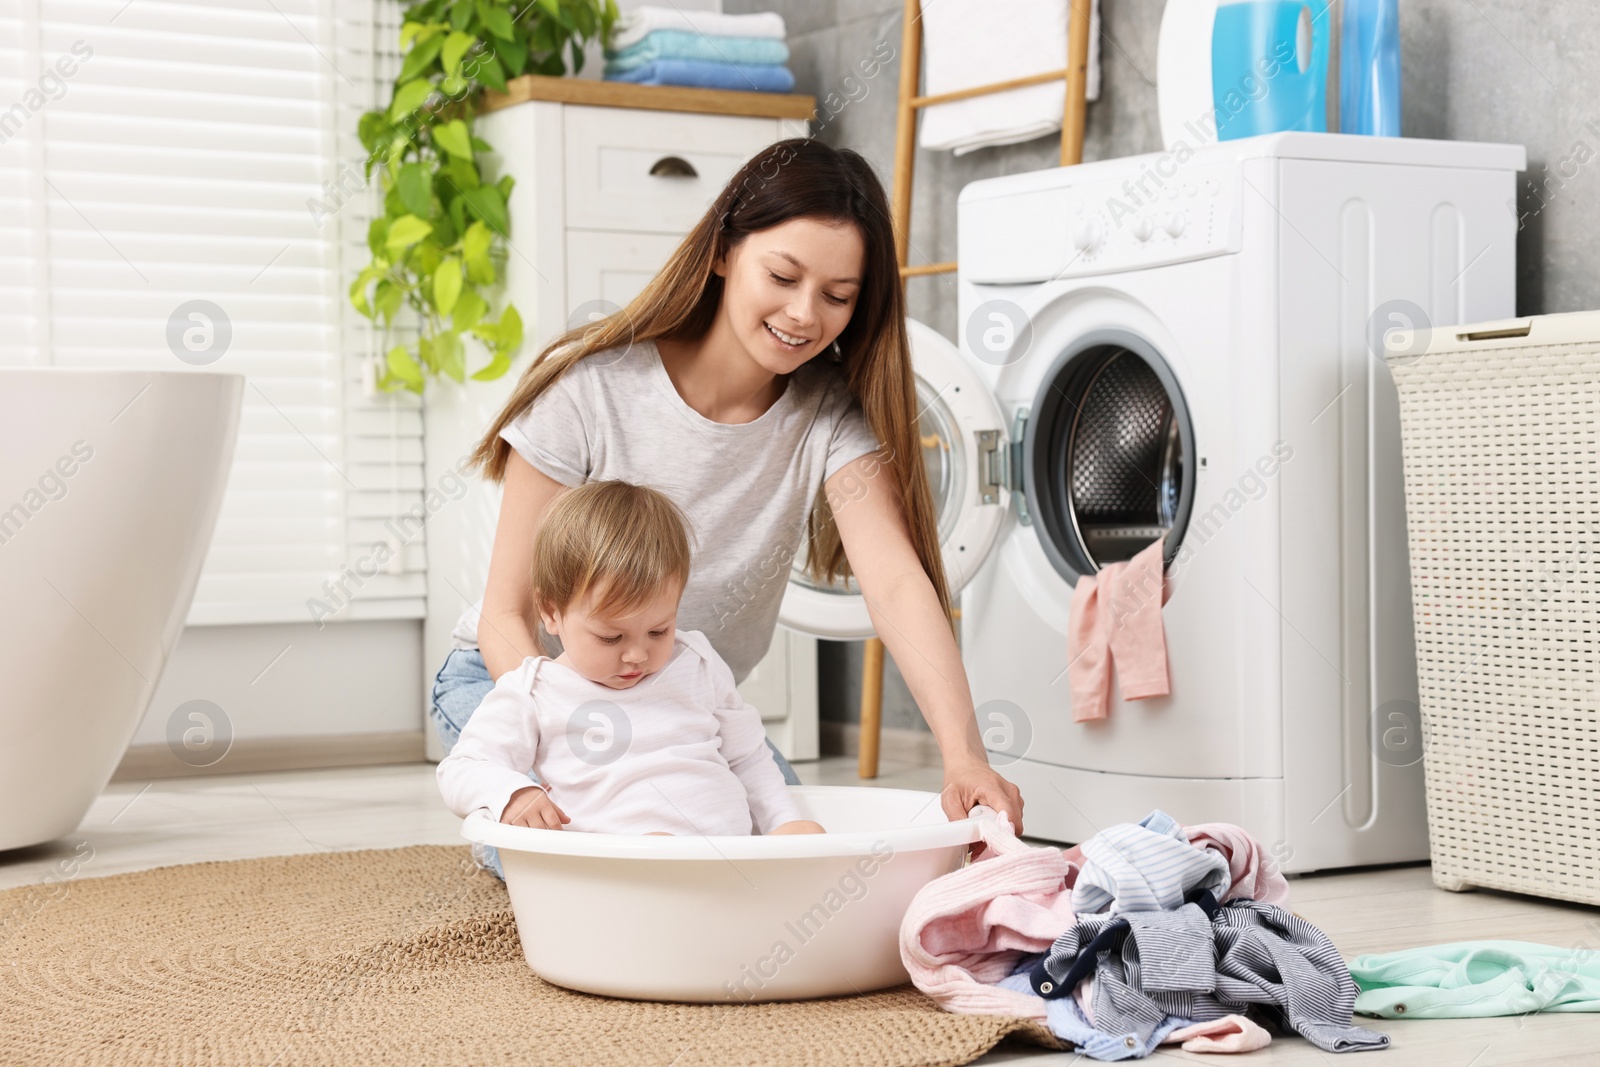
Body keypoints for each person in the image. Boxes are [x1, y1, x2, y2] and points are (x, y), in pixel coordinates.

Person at [429, 137, 1023, 874]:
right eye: (782, 275)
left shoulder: (829, 414)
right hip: (515, 686)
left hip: (678, 697)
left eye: (838, 296)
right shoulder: (588, 389)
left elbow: (898, 584)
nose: (805, 314)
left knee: (783, 852)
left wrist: (966, 757)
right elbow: (506, 614)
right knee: (597, 857)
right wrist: (575, 758)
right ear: (720, 253)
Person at [437, 481, 825, 877]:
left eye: (659, 630)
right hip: (620, 877)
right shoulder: (534, 691)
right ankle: (496, 855)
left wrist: (783, 821)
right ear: (551, 613)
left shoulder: (696, 662)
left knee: (811, 843)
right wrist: (511, 793)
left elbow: (748, 756)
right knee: (653, 864)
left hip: (728, 864)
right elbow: (462, 767)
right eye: (611, 637)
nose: (638, 655)